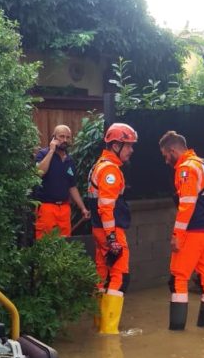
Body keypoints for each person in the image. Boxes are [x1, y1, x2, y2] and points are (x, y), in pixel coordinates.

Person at [159, 130, 204, 331]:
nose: (166, 160)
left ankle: (177, 332)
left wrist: (177, 235)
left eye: (165, 155)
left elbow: (187, 205)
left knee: (179, 277)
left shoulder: (186, 169)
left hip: (194, 233)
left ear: (172, 150)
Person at [87, 122, 138, 334]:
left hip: (100, 231)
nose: (131, 150)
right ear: (116, 145)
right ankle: (109, 331)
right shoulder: (110, 170)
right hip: (111, 231)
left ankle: (100, 325)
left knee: (101, 273)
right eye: (128, 145)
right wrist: (112, 239)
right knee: (120, 276)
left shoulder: (99, 165)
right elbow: (106, 208)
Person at [34, 124, 90, 240]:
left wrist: (83, 208)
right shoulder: (43, 154)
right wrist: (51, 151)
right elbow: (39, 173)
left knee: (65, 244)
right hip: (46, 207)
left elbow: (72, 187)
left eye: (68, 137)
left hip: (64, 208)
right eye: (61, 136)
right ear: (54, 137)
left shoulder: (70, 160)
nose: (65, 140)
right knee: (45, 243)